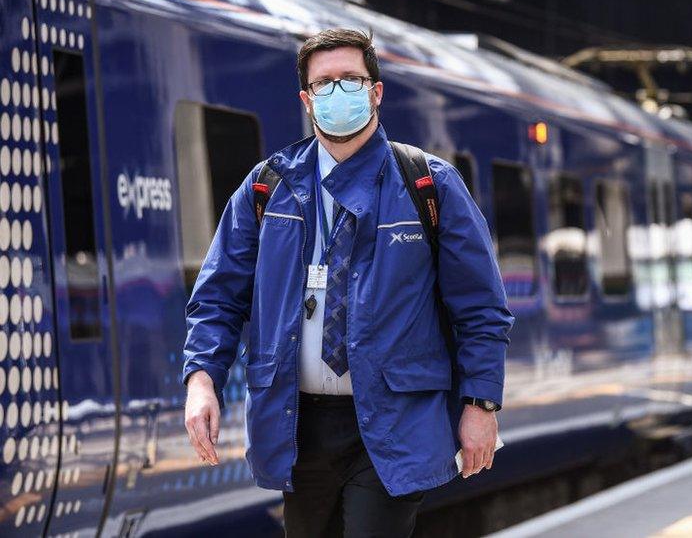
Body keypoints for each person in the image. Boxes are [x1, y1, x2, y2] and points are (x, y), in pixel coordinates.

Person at [181, 28, 514, 537]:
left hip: (391, 421)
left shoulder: (428, 184)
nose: (338, 93)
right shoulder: (269, 187)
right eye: (325, 84)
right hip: (295, 424)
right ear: (306, 100)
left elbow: (482, 310)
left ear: (376, 92)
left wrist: (480, 404)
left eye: (351, 80)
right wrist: (202, 379)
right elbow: (218, 296)